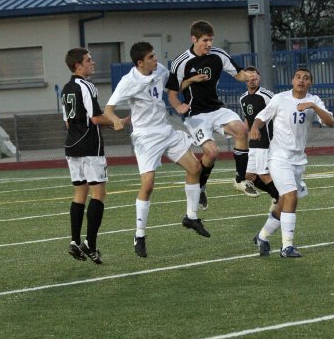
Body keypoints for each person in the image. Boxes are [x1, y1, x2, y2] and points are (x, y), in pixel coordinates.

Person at [104, 41, 209, 258]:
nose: (156, 59)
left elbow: (173, 88)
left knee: (195, 168)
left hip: (166, 130)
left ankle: (191, 216)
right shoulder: (128, 81)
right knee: (149, 185)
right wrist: (115, 120)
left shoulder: (160, 70)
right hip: (145, 137)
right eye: (151, 57)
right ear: (140, 62)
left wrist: (189, 80)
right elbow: (108, 109)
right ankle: (139, 234)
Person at [166, 19, 259, 210]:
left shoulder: (218, 55)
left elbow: (238, 74)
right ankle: (200, 187)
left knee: (242, 131)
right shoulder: (180, 62)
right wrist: (182, 98)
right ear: (194, 39)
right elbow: (172, 93)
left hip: (216, 109)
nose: (209, 44)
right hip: (195, 114)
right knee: (212, 152)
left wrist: (247, 76)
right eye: (205, 40)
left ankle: (240, 180)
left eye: (211, 40)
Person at [249, 66, 334, 258]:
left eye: (305, 78)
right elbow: (262, 117)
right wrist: (255, 128)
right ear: (292, 80)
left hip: (298, 160)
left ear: (310, 83)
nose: (301, 80)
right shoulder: (280, 98)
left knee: (283, 202)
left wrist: (313, 106)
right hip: (279, 157)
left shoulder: (314, 100)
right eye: (297, 77)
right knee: (291, 197)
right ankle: (286, 247)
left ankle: (262, 236)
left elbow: (330, 122)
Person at [61, 47, 128, 264]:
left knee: (79, 194)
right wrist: (117, 122)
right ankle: (90, 243)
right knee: (98, 194)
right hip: (90, 146)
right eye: (89, 60)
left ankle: (74, 241)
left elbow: (68, 122)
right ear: (77, 65)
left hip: (72, 145)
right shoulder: (86, 86)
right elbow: (96, 118)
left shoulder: (66, 88)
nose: (93, 63)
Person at [239, 66, 279, 210]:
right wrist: (242, 135)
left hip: (266, 141)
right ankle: (277, 195)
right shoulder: (242, 98)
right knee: (248, 175)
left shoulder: (266, 95)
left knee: (264, 174)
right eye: (249, 77)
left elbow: (278, 112)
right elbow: (247, 120)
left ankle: (279, 199)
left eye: (254, 77)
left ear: (259, 78)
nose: (252, 80)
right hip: (253, 143)